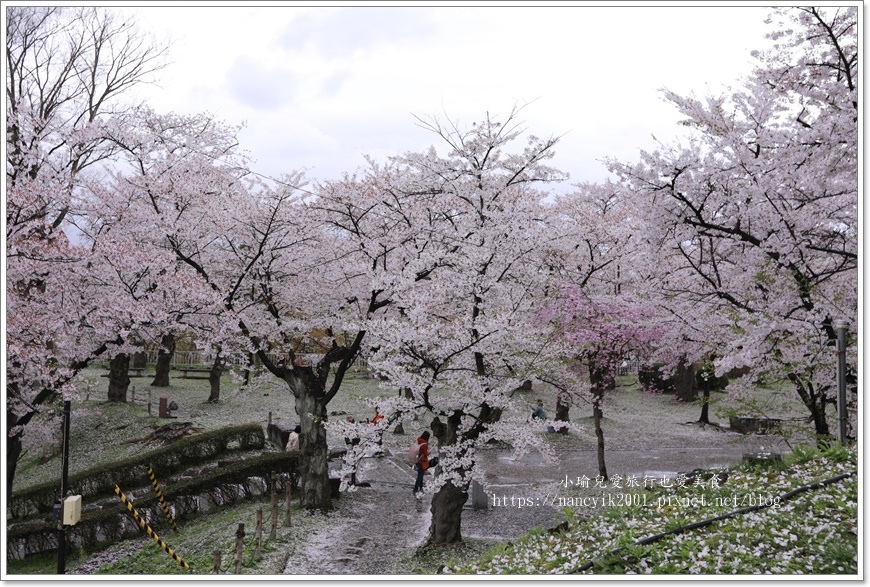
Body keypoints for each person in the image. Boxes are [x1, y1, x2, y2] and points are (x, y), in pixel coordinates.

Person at [413, 431, 431, 498]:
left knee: (421, 474)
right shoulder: (424, 445)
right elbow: (425, 454)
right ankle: (416, 488)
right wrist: (429, 453)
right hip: (422, 461)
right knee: (420, 475)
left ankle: (421, 487)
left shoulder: (418, 441)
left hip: (417, 459)